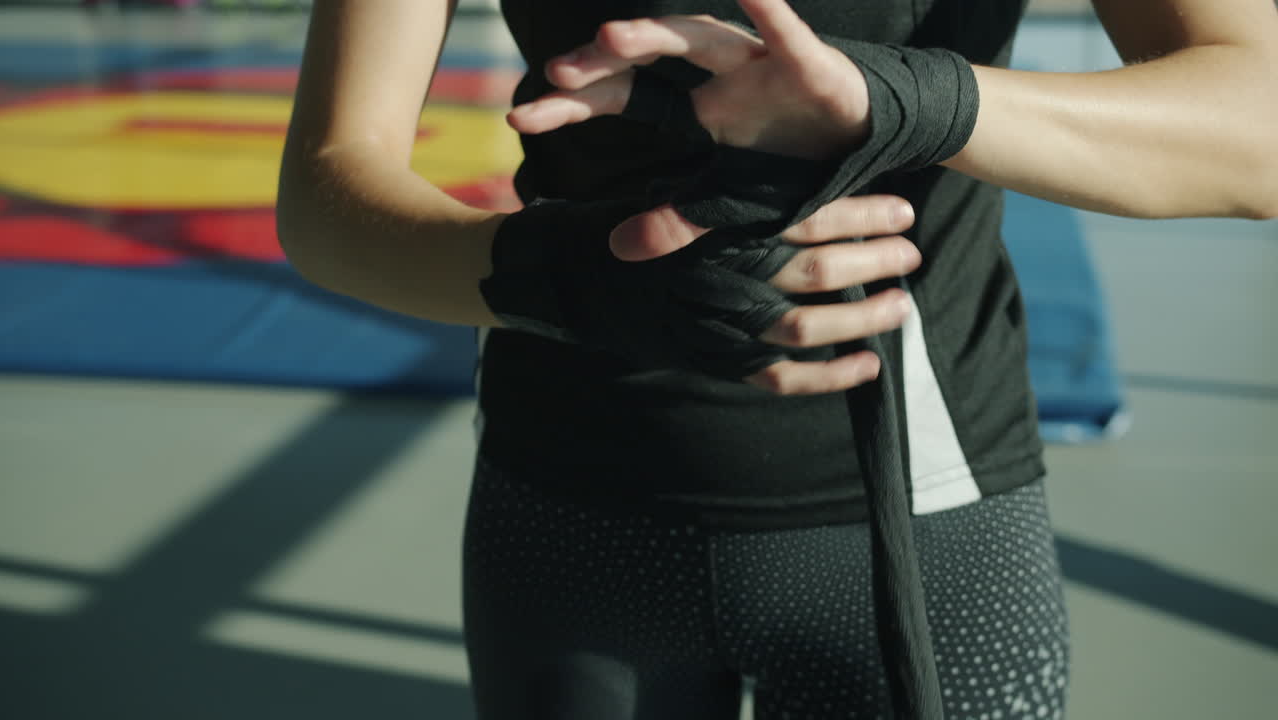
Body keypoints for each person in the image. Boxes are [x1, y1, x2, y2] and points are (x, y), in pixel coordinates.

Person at [276, 1, 1278, 718]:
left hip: (922, 521)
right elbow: (328, 191)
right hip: (566, 511)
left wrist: (897, 99)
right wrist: (570, 277)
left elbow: (1259, 126)